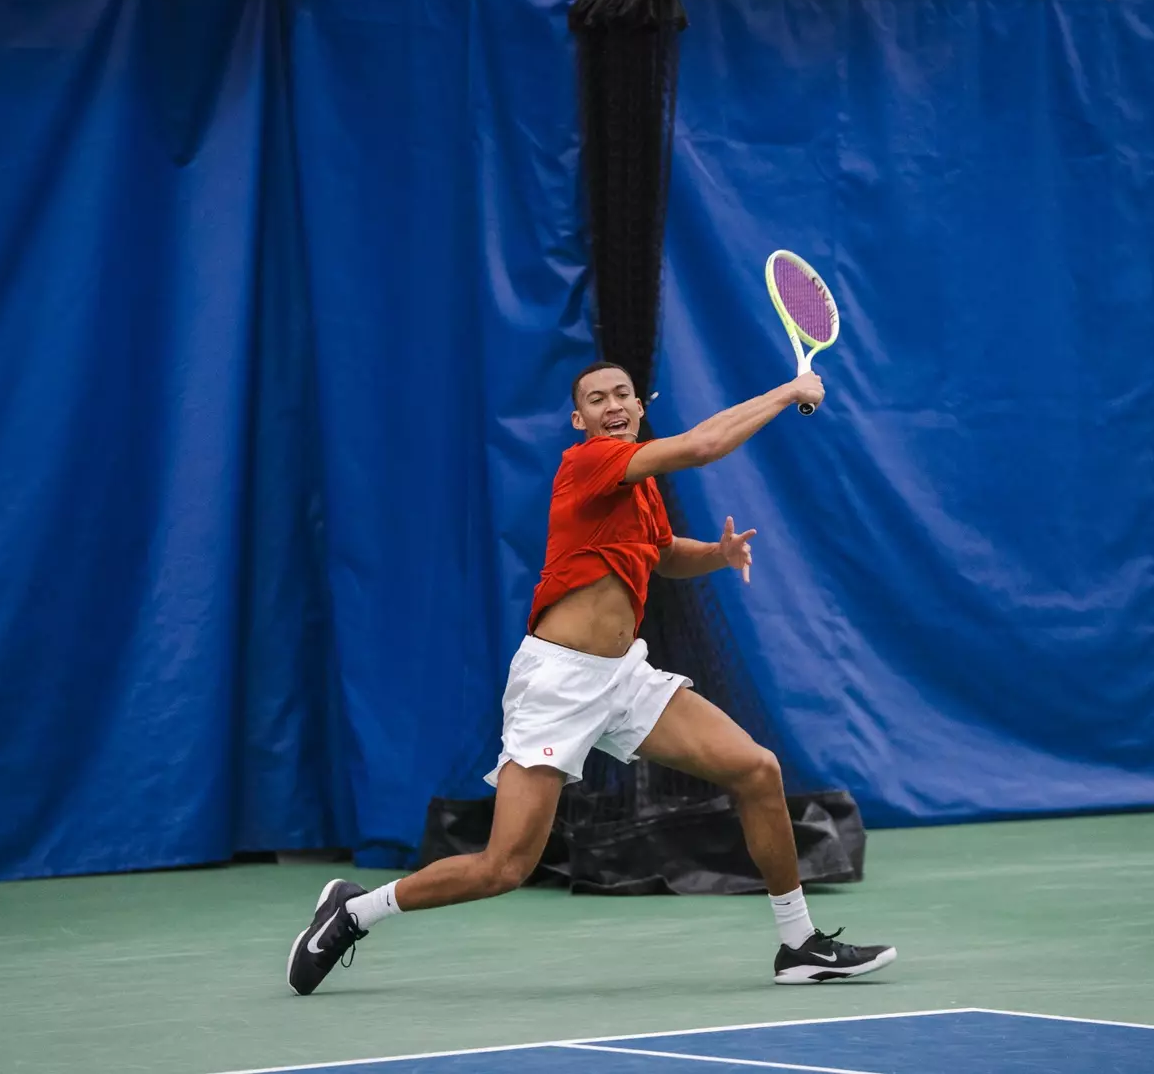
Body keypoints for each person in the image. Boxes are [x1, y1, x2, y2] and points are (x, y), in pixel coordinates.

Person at [286, 361, 896, 994]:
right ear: (579, 420)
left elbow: (659, 555)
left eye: (623, 395)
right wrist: (788, 391)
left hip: (622, 677)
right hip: (557, 684)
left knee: (757, 769)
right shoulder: (589, 462)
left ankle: (798, 944)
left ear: (639, 405)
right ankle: (354, 912)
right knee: (505, 867)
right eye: (596, 399)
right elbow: (705, 445)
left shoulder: (640, 483)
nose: (612, 405)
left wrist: (715, 555)